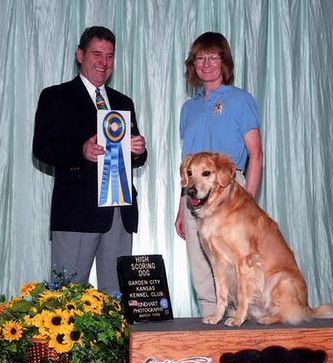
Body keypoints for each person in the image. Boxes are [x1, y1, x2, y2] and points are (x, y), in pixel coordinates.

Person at [33, 26, 147, 294]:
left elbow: (137, 158)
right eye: (97, 54)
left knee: (116, 302)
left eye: (109, 56)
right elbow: (42, 148)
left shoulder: (123, 102)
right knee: (65, 301)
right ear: (79, 55)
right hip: (76, 213)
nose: (103, 62)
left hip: (119, 214)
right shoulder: (55, 96)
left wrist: (138, 150)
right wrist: (80, 151)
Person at [175, 32, 262, 318]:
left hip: (226, 189)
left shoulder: (240, 100)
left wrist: (248, 200)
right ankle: (210, 319)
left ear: (224, 61)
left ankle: (243, 317)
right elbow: (187, 168)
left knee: (236, 259)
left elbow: (255, 154)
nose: (206, 63)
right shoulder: (188, 108)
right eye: (200, 57)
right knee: (201, 262)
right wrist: (181, 209)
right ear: (193, 64)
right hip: (194, 195)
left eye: (213, 57)